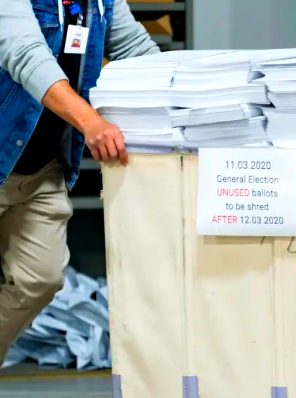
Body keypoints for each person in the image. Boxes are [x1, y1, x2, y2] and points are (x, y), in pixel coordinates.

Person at [0, 0, 159, 365]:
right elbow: (24, 53)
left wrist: (195, 91)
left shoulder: (102, 2)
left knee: (39, 277)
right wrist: (91, 122)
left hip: (41, 168)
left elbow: (136, 50)